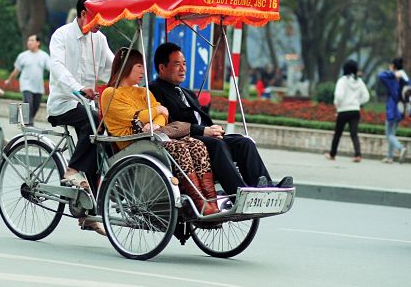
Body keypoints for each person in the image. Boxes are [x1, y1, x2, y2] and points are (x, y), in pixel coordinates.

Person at [149, 42, 293, 196]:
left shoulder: (187, 93)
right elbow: (169, 125)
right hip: (184, 142)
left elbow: (202, 119)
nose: (183, 69)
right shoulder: (154, 91)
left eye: (184, 63)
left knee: (244, 142)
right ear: (162, 68)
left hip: (205, 135)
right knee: (217, 145)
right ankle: (239, 191)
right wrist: (204, 131)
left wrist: (215, 130)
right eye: (177, 64)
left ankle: (265, 187)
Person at [101, 48, 219, 215]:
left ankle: (210, 200)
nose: (143, 71)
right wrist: (157, 111)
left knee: (196, 144)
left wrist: (156, 122)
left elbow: (164, 116)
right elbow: (136, 117)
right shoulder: (110, 94)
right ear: (126, 67)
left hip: (153, 137)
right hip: (131, 143)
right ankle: (199, 201)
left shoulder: (143, 91)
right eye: (139, 66)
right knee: (179, 148)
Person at [47, 0, 114, 234]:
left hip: (89, 106)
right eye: (99, 16)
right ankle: (72, 170)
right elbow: (57, 67)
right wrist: (77, 88)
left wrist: (132, 84)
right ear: (84, 14)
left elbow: (111, 68)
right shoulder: (62, 35)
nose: (102, 22)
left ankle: (89, 214)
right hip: (64, 102)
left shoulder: (100, 39)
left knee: (100, 146)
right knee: (95, 122)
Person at [325, 60, 370, 162]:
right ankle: (358, 154)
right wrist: (358, 103)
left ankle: (332, 154)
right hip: (355, 110)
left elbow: (339, 96)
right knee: (354, 133)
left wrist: (337, 104)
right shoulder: (359, 81)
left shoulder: (342, 81)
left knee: (338, 133)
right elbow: (366, 96)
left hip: (343, 110)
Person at [5, 34, 50, 124]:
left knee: (36, 106)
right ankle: (28, 123)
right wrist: (9, 80)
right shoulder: (22, 56)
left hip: (38, 86)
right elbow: (16, 71)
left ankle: (25, 119)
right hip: (26, 84)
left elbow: (51, 69)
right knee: (28, 103)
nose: (29, 42)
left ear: (38, 43)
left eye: (32, 40)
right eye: (28, 40)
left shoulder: (44, 56)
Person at [378, 57, 408, 164]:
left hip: (393, 109)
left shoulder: (393, 78)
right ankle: (390, 157)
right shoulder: (405, 78)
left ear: (393, 66)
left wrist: (392, 74)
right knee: (392, 133)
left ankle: (401, 148)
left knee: (388, 134)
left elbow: (381, 75)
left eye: (390, 66)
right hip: (401, 109)